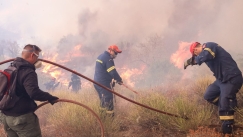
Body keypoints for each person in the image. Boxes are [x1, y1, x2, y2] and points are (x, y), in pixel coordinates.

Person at [184, 42, 243, 134]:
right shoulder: (204, 53)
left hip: (232, 78)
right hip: (221, 80)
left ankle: (227, 131)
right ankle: (230, 106)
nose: (196, 56)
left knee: (224, 102)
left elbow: (206, 56)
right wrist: (192, 61)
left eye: (195, 55)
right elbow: (202, 58)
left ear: (195, 50)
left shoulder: (209, 46)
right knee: (209, 95)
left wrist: (191, 61)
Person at [0, 44, 59, 137]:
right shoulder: (28, 72)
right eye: (37, 56)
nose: (38, 59)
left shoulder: (11, 67)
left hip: (7, 117)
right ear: (32, 56)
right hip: (21, 119)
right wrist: (49, 97)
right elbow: (34, 93)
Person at [94, 45, 123, 117]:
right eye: (115, 53)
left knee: (103, 99)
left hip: (96, 82)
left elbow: (104, 71)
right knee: (109, 99)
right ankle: (110, 119)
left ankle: (102, 117)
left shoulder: (100, 56)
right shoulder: (108, 59)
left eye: (117, 53)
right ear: (110, 50)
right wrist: (119, 80)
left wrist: (112, 79)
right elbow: (112, 72)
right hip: (103, 84)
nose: (116, 55)